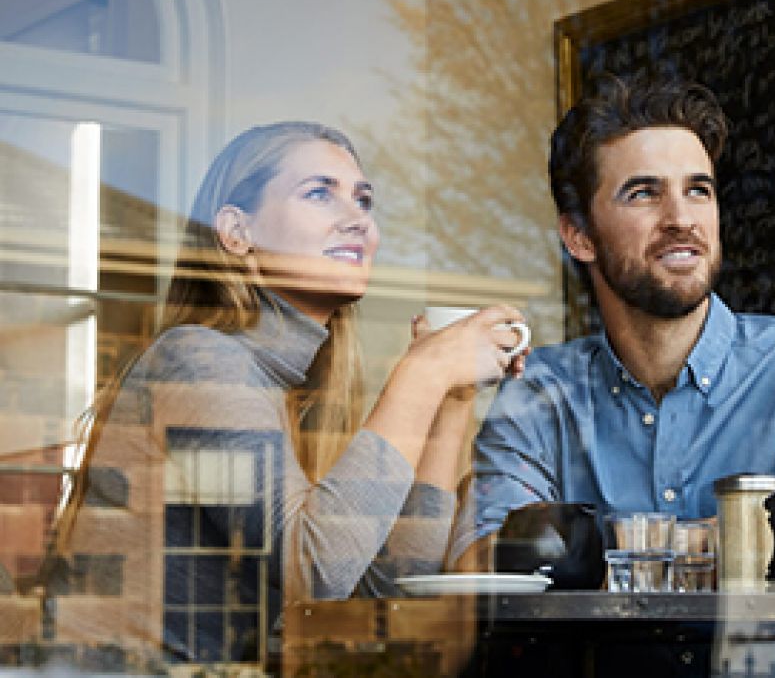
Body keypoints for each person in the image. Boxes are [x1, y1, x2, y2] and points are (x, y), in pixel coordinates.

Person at [42, 121, 527, 668]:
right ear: (235, 231)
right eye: (319, 192)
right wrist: (423, 371)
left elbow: (382, 587)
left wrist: (453, 400)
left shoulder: (270, 387)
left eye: (364, 200)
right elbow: (313, 575)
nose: (357, 219)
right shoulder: (199, 361)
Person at [451, 73, 775, 676]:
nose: (682, 218)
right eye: (644, 193)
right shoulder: (540, 393)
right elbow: (487, 572)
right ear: (579, 234)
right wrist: (721, 542)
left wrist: (591, 552)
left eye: (698, 190)